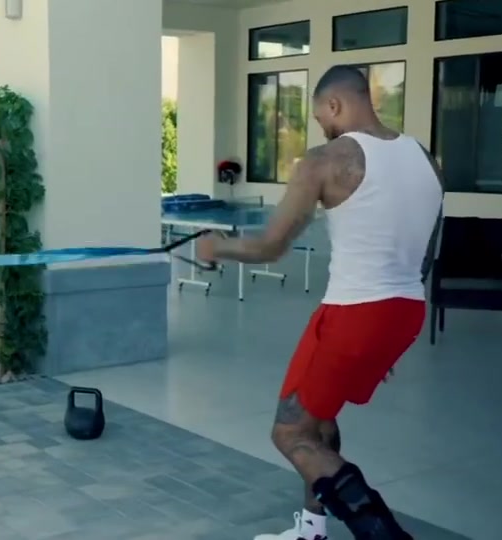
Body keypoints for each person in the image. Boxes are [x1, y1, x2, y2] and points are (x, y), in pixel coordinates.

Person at [196, 65, 444, 540]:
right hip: (405, 311)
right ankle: (312, 530)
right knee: (321, 416)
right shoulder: (425, 159)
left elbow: (270, 246)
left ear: (335, 104)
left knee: (290, 432)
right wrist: (382, 338)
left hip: (353, 313)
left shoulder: (325, 160)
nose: (322, 128)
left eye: (320, 117)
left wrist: (216, 247)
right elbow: (428, 254)